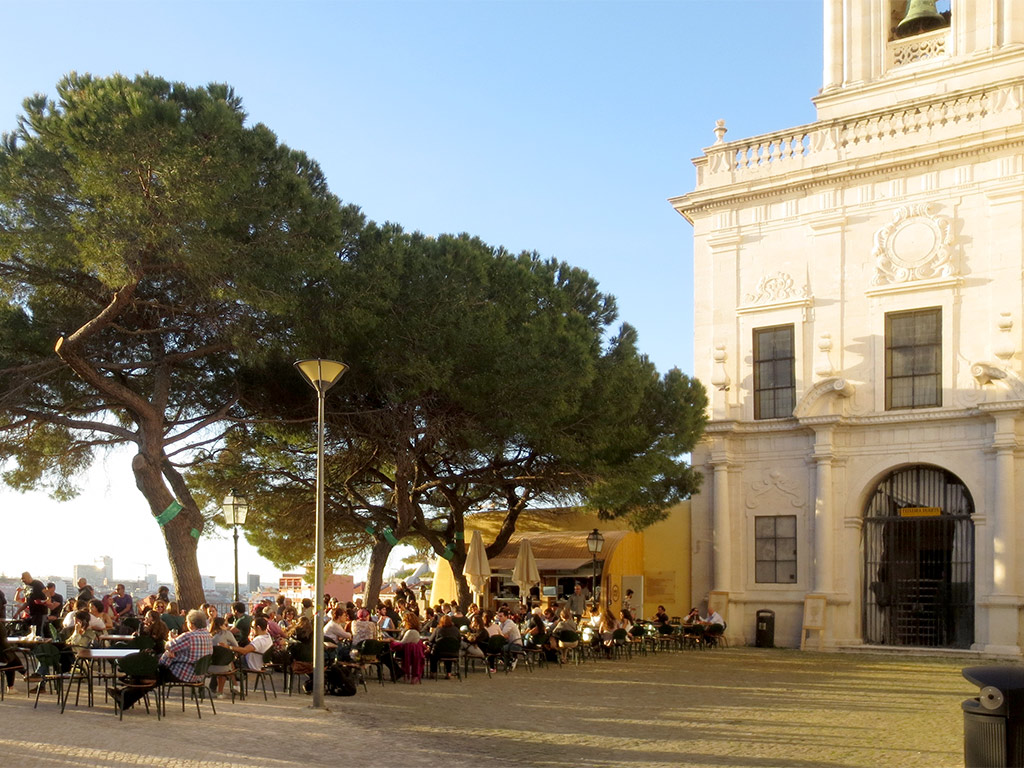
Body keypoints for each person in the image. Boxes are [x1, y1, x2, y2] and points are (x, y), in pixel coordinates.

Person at [110, 609, 213, 710]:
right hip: (198, 673)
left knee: (149, 673)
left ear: (191, 624)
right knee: (153, 677)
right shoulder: (207, 635)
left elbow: (169, 646)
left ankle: (126, 692)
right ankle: (125, 695)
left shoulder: (189, 636)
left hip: (182, 672)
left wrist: (171, 639)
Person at [208, 616, 238, 698]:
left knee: (226, 659)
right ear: (221, 626)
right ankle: (227, 689)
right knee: (228, 661)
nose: (227, 626)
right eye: (225, 624)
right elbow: (236, 645)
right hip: (223, 666)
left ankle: (235, 686)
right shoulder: (226, 633)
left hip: (209, 666)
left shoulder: (208, 636)